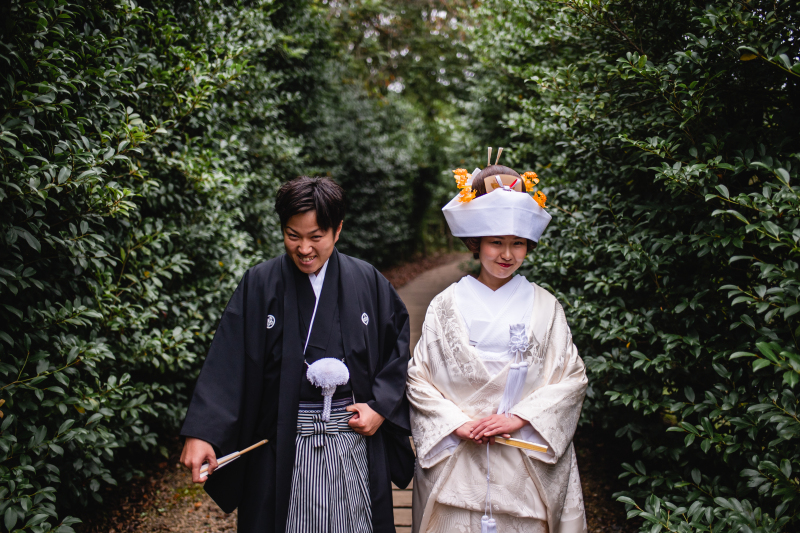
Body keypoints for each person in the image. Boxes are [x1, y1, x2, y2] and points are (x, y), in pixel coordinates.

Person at [180, 176, 415, 533]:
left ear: (338, 230)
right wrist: (202, 432)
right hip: (280, 441)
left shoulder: (367, 281)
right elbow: (227, 362)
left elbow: (397, 351)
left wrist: (380, 407)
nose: (304, 248)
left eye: (316, 237)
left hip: (352, 437)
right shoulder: (260, 284)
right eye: (293, 235)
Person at [407, 154, 588, 533]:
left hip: (525, 454)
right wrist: (456, 423)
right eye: (495, 242)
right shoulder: (445, 305)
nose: (507, 254)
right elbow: (419, 379)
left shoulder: (546, 306)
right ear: (475, 243)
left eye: (518, 243)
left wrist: (519, 418)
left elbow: (571, 378)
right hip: (460, 452)